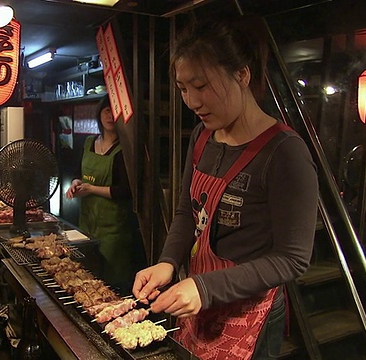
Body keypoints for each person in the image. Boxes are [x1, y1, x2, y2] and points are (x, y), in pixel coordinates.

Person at [132, 16, 319, 359]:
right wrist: (168, 262)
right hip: (202, 299)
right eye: (183, 88)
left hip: (248, 313)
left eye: (200, 86)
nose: (191, 101)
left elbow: (292, 259)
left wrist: (205, 286)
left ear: (242, 75)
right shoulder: (203, 138)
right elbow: (188, 211)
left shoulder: (285, 153)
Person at [66, 95, 146, 292]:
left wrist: (91, 189)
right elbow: (78, 173)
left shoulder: (124, 150)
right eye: (106, 111)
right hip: (86, 224)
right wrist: (76, 183)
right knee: (84, 279)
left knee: (111, 287)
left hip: (114, 232)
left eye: (114, 111)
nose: (111, 116)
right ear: (99, 114)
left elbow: (125, 191)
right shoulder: (88, 143)